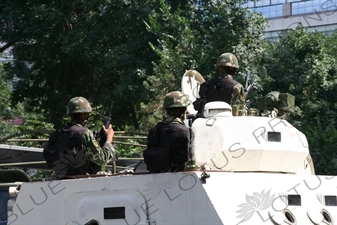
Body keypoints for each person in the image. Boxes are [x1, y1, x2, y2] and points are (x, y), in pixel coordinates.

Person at [44, 96, 116, 178]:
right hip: (82, 181)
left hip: (60, 179)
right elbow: (102, 159)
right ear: (84, 114)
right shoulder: (84, 133)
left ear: (70, 114)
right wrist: (109, 138)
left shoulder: (57, 134)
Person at [143, 91, 189, 173]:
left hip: (155, 178)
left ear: (166, 110)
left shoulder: (154, 130)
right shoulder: (185, 132)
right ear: (184, 110)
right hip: (180, 179)